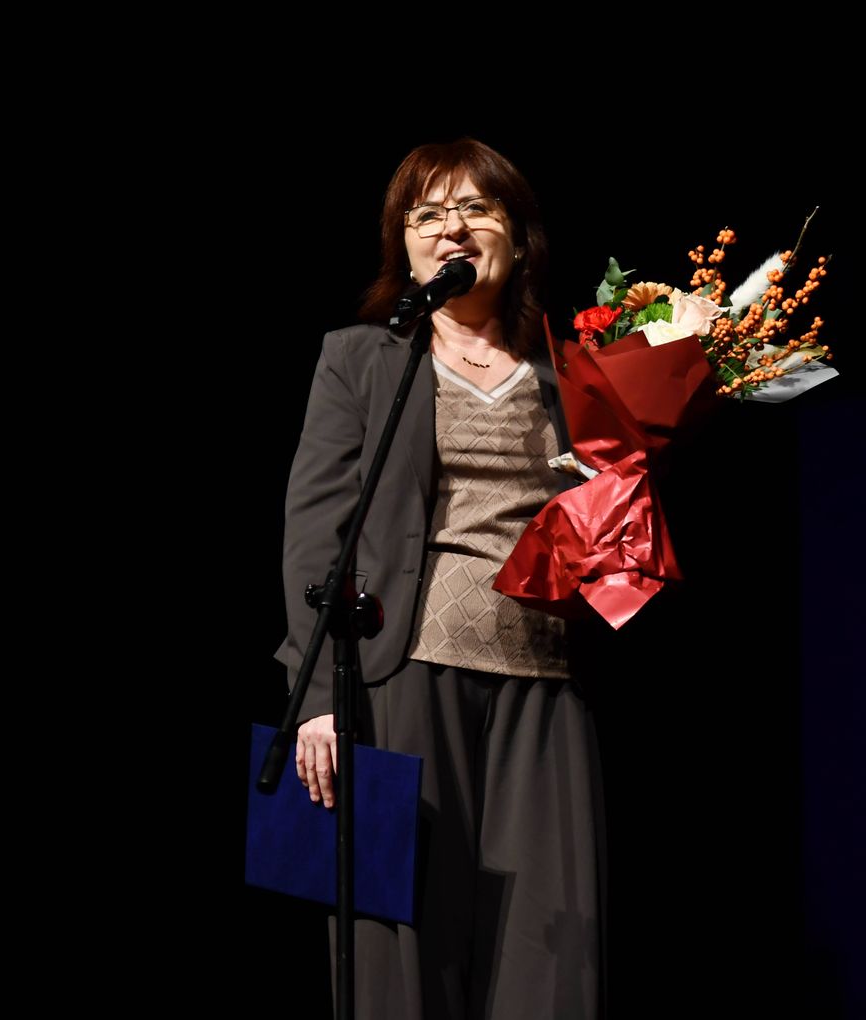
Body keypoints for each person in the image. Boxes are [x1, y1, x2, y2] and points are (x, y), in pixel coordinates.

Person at [274, 138, 608, 1019]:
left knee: (551, 948)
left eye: (475, 209)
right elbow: (316, 534)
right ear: (405, 245)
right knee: (405, 950)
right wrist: (317, 699)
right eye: (427, 215)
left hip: (545, 675)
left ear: (518, 239)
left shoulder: (576, 370)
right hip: (406, 671)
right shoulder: (364, 359)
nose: (451, 229)